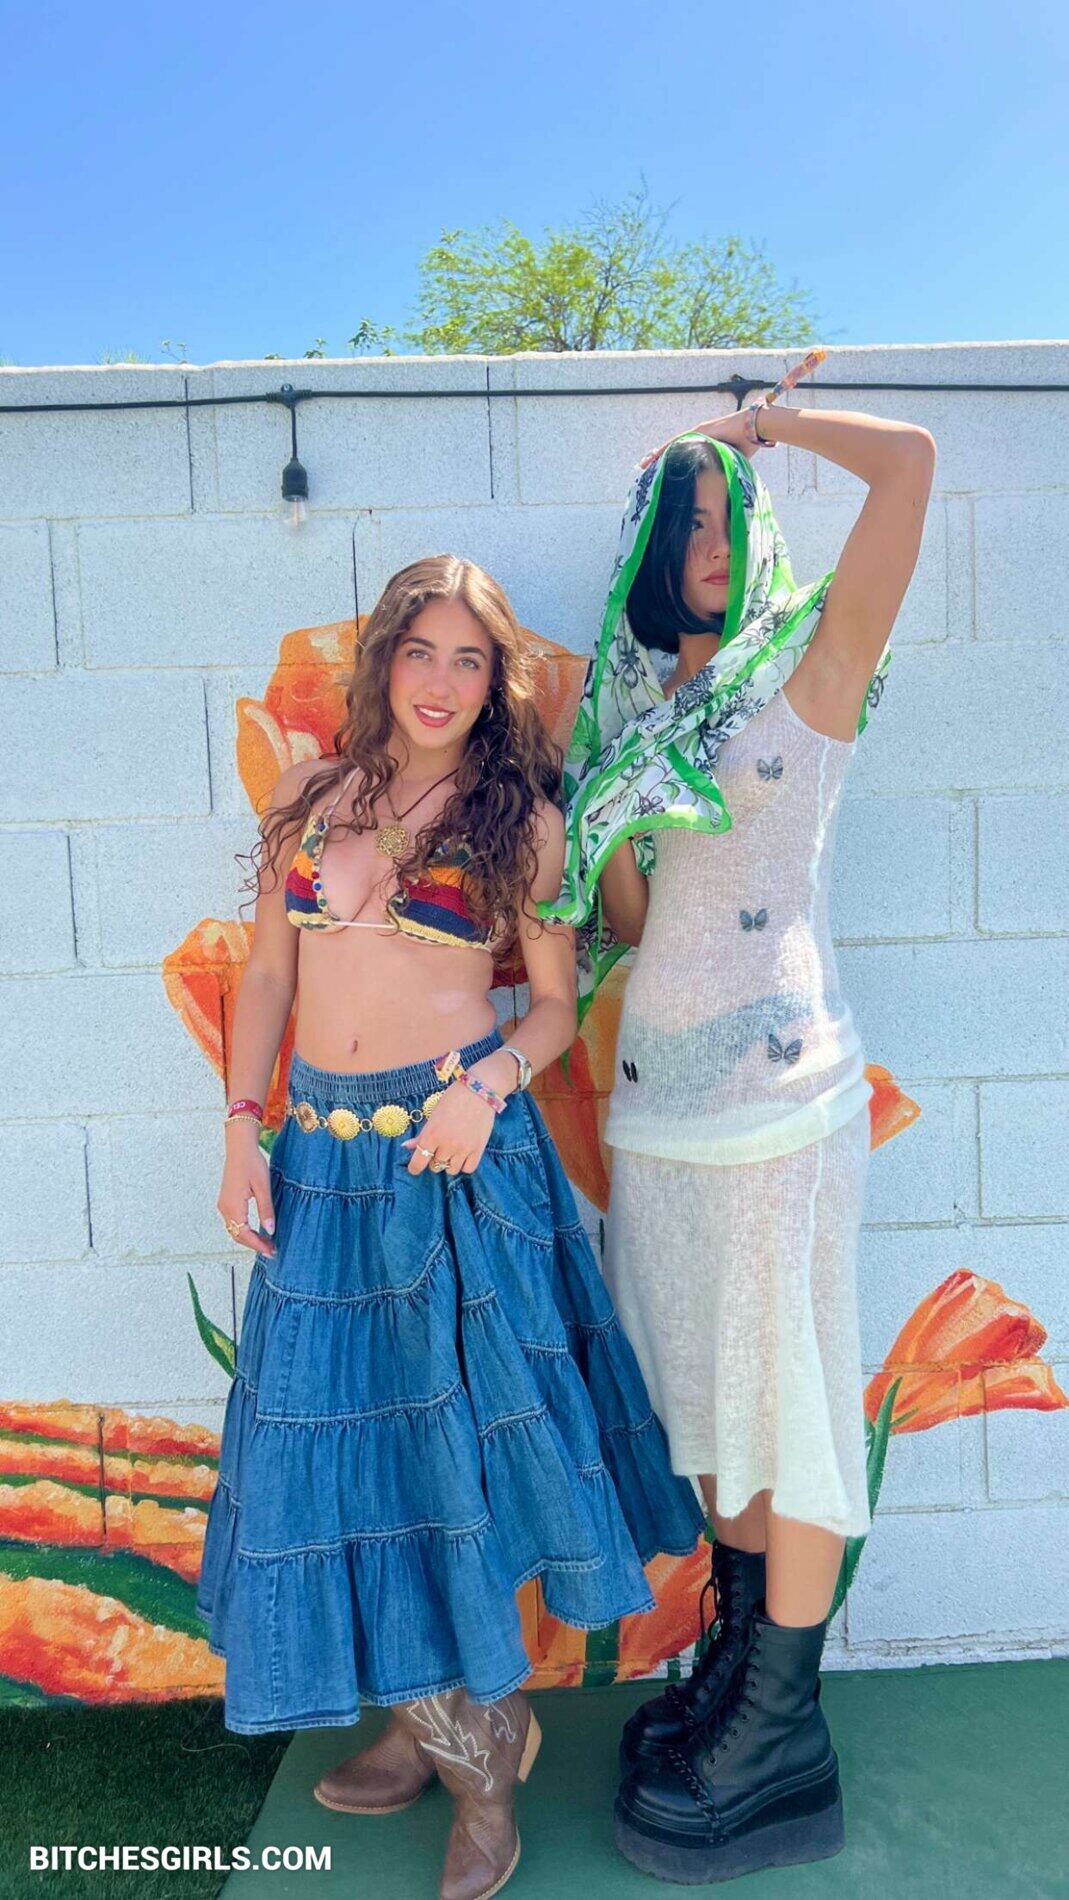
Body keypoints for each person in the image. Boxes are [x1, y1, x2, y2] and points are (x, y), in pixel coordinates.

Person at [195, 554, 705, 1900]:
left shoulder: (520, 822)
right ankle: (436, 1720)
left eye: (467, 660)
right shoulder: (311, 801)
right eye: (419, 651)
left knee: (449, 1457)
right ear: (383, 662)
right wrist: (242, 1129)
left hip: (458, 1157)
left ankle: (484, 1769)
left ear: (495, 682)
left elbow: (554, 1007)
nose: (439, 681)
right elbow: (267, 976)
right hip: (322, 1163)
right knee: (340, 1449)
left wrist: (487, 1090)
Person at [543, 393, 935, 1883]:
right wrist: (595, 820)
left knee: (793, 1408)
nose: (709, 542)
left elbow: (910, 467)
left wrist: (765, 422)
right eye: (683, 521)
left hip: (782, 1108)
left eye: (727, 516)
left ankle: (780, 1729)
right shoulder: (632, 725)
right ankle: (732, 1673)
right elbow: (640, 927)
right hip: (659, 1115)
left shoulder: (815, 666)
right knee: (709, 1408)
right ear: (648, 556)